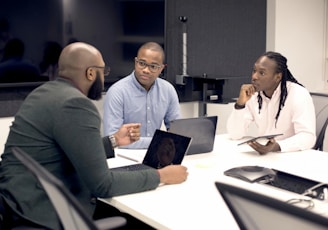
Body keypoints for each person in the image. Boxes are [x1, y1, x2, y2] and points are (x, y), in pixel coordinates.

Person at [0, 42, 188, 229]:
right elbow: (103, 185)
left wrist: (114, 140)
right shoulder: (76, 104)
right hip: (42, 211)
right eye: (102, 71)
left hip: (15, 201)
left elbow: (69, 147)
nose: (103, 76)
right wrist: (160, 175)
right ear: (91, 73)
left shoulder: (42, 93)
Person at [226, 51, 316, 155]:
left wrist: (277, 147)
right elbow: (235, 135)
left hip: (291, 156)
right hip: (265, 157)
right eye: (254, 71)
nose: (254, 77)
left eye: (262, 73)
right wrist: (240, 104)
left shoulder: (298, 94)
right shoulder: (253, 95)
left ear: (277, 77)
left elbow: (308, 137)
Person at [103, 42, 180, 149]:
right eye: (142, 63)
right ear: (135, 62)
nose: (146, 70)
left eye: (153, 66)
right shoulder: (117, 92)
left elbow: (177, 132)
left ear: (161, 69)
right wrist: (158, 142)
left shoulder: (168, 90)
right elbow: (112, 138)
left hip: (156, 154)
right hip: (124, 156)